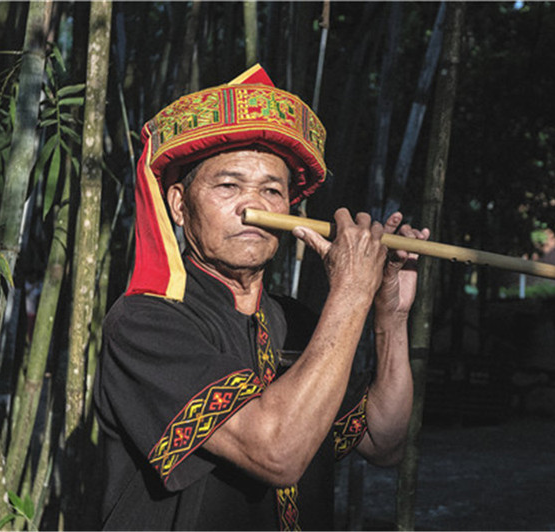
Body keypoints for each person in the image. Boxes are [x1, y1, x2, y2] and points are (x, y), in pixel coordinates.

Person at [93, 64, 429, 531]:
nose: (253, 208)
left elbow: (382, 442)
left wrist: (390, 316)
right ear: (178, 205)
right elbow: (276, 452)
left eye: (272, 190)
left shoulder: (296, 320)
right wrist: (351, 291)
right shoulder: (146, 321)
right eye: (228, 186)